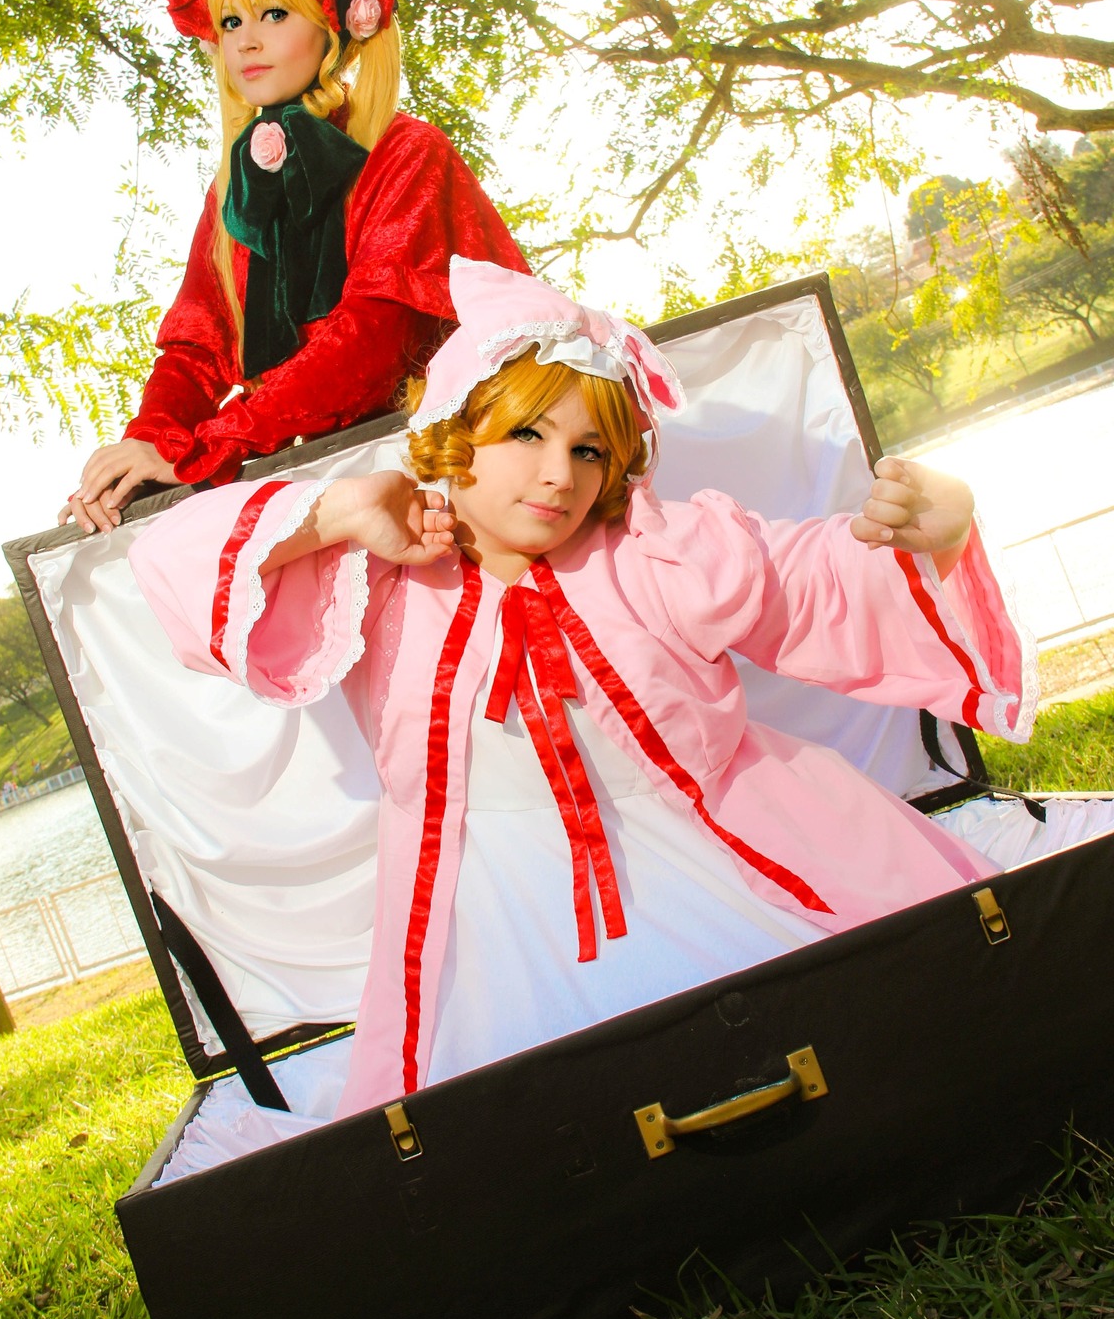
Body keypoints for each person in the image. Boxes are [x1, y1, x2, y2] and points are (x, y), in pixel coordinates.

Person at [129, 258, 1026, 1131]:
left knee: (890, 1018)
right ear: (455, 432)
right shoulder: (388, 580)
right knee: (522, 1124)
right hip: (495, 920)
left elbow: (809, 577)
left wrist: (929, 537)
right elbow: (167, 562)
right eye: (527, 434)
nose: (560, 473)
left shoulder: (654, 552)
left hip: (734, 855)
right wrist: (339, 510)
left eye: (588, 448)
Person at [62, 0, 528, 534]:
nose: (246, 42)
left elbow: (369, 343)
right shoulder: (236, 190)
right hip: (330, 485)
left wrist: (208, 446)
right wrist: (145, 447)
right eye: (229, 23)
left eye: (273, 13)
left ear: (334, 21)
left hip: (458, 472)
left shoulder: (406, 154)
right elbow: (198, 347)